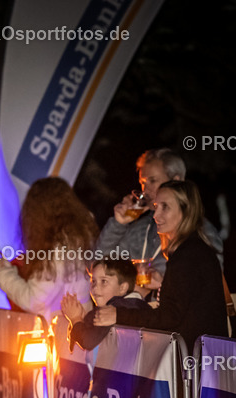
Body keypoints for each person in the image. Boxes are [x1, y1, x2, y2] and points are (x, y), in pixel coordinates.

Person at [93, 180, 226, 350]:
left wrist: (119, 315)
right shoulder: (190, 250)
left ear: (186, 211)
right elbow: (185, 305)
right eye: (156, 207)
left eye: (165, 207)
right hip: (198, 357)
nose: (156, 215)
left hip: (194, 363)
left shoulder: (189, 255)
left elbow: (170, 316)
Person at [95, 148, 223, 294]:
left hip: (173, 314)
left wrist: (163, 284)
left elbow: (208, 286)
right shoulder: (141, 229)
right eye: (143, 182)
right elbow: (98, 267)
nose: (145, 189)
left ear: (176, 181)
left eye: (153, 181)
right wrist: (118, 224)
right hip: (138, 313)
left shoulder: (201, 231)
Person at [0, 177, 94, 319]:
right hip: (80, 327)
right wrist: (4, 266)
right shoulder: (82, 237)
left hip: (64, 333)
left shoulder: (57, 250)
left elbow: (34, 300)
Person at [61, 259, 150, 351]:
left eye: (104, 281)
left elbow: (88, 341)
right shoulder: (129, 304)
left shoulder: (116, 309)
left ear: (122, 288)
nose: (95, 287)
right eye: (93, 281)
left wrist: (75, 319)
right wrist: (83, 318)